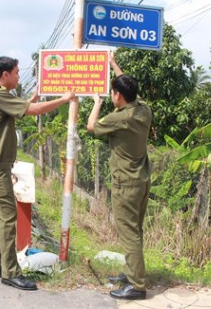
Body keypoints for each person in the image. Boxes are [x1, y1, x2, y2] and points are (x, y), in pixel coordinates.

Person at [0, 56, 76, 291]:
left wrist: (34, 97)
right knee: (7, 218)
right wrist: (63, 99)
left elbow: (21, 108)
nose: (19, 76)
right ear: (5, 75)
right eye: (17, 72)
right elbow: (30, 111)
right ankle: (10, 272)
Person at [86, 52, 152, 300]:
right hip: (142, 180)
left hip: (126, 183)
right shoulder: (142, 110)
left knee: (129, 232)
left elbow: (92, 127)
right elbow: (126, 83)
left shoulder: (120, 118)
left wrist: (96, 104)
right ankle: (131, 272)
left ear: (117, 96)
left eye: (114, 92)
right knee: (135, 230)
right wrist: (114, 65)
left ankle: (137, 286)